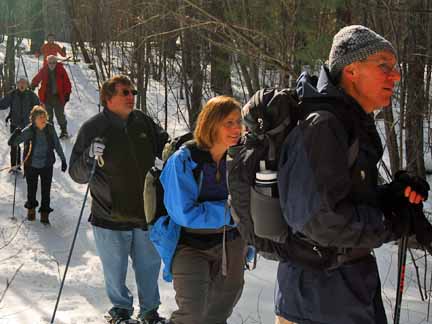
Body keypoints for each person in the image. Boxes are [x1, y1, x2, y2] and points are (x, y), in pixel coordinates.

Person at [275, 25, 431, 324]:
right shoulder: (323, 125)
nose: (395, 75)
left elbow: (342, 198)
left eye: (395, 68)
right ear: (351, 71)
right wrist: (391, 224)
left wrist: (392, 198)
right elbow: (320, 220)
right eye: (383, 65)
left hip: (342, 289)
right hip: (319, 297)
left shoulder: (349, 122)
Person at [69, 75, 169, 324]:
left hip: (145, 212)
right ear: (108, 98)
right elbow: (76, 173)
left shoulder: (143, 122)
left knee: (149, 268)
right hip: (108, 216)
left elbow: (167, 147)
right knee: (115, 272)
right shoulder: (93, 128)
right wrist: (89, 155)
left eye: (133, 92)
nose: (131, 96)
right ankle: (121, 311)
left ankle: (150, 312)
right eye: (125, 92)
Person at [150, 96, 246, 324]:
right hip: (189, 246)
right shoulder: (183, 160)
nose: (237, 128)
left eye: (239, 122)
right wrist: (231, 211)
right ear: (211, 124)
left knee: (218, 314)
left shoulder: (241, 158)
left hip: (230, 244)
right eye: (229, 123)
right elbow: (185, 213)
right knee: (191, 314)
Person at [8, 105, 67, 224]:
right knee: (32, 189)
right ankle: (31, 210)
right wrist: (15, 134)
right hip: (31, 165)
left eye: (44, 116)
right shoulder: (30, 130)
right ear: (34, 119)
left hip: (47, 164)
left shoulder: (50, 129)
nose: (43, 119)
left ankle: (45, 213)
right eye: (40, 117)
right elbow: (13, 143)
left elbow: (57, 144)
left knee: (46, 190)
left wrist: (63, 159)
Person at [0, 77, 39, 171]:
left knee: (28, 146)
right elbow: (3, 104)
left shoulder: (31, 95)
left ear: (27, 85)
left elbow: (38, 107)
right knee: (14, 145)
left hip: (28, 125)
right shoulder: (12, 94)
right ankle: (14, 166)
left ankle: (27, 167)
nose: (22, 85)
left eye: (24, 83)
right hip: (15, 124)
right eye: (20, 83)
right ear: (17, 84)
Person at [31, 55, 72, 138]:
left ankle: (64, 131)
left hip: (58, 97)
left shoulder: (61, 70)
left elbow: (67, 82)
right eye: (50, 63)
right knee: (48, 116)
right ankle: (50, 132)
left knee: (60, 115)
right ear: (47, 63)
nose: (52, 64)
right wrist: (33, 84)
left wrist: (67, 93)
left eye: (54, 62)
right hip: (46, 98)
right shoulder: (44, 70)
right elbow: (38, 77)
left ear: (56, 63)